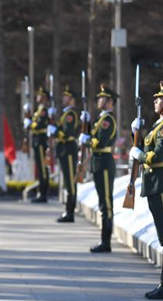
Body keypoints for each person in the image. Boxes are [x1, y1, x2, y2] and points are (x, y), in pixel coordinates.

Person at [129, 81, 163, 300]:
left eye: (159, 99)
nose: (155, 101)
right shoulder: (158, 127)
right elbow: (147, 148)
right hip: (154, 183)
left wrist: (139, 155)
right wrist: (136, 134)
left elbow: (156, 155)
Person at [80, 84, 118, 253]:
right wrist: (87, 123)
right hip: (98, 162)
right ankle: (104, 240)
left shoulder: (108, 121)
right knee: (103, 203)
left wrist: (86, 140)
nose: (99, 100)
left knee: (106, 204)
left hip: (104, 162)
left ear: (110, 102)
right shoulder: (101, 119)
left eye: (102, 98)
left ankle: (106, 242)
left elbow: (99, 142)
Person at [48, 85, 79, 222]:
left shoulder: (70, 115)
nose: (64, 98)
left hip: (68, 149)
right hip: (63, 150)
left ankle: (70, 212)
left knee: (70, 182)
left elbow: (67, 133)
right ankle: (68, 211)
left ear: (72, 100)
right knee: (67, 181)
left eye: (67, 96)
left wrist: (54, 131)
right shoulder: (65, 114)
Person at [26, 87, 50, 203]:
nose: (37, 97)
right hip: (36, 140)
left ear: (44, 98)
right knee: (40, 168)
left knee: (42, 168)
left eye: (40, 95)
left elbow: (39, 125)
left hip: (41, 140)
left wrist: (30, 124)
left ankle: (43, 193)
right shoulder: (39, 110)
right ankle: (41, 192)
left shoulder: (43, 110)